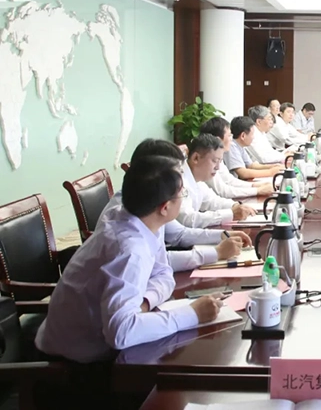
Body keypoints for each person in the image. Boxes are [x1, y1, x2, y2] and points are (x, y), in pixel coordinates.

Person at [36, 155, 223, 363]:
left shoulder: (142, 220)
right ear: (165, 207)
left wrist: (144, 302)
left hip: (100, 339)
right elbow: (121, 333)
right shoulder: (129, 250)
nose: (184, 197)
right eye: (182, 193)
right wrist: (192, 314)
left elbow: (163, 273)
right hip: (73, 362)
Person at [100, 138, 251, 272]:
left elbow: (178, 236)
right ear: (154, 173)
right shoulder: (131, 221)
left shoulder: (151, 203)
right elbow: (156, 264)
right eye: (178, 173)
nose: (181, 181)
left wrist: (222, 235)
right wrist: (216, 253)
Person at [178, 134, 256, 228]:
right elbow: (187, 219)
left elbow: (212, 201)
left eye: (220, 161)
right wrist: (230, 214)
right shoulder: (178, 180)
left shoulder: (197, 178)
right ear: (196, 158)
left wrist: (234, 205)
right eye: (215, 161)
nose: (217, 167)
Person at [199, 117, 274, 199]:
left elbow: (230, 181)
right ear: (218, 140)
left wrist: (254, 185)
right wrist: (257, 190)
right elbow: (222, 191)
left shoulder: (217, 157)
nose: (231, 139)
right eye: (229, 135)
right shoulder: (207, 160)